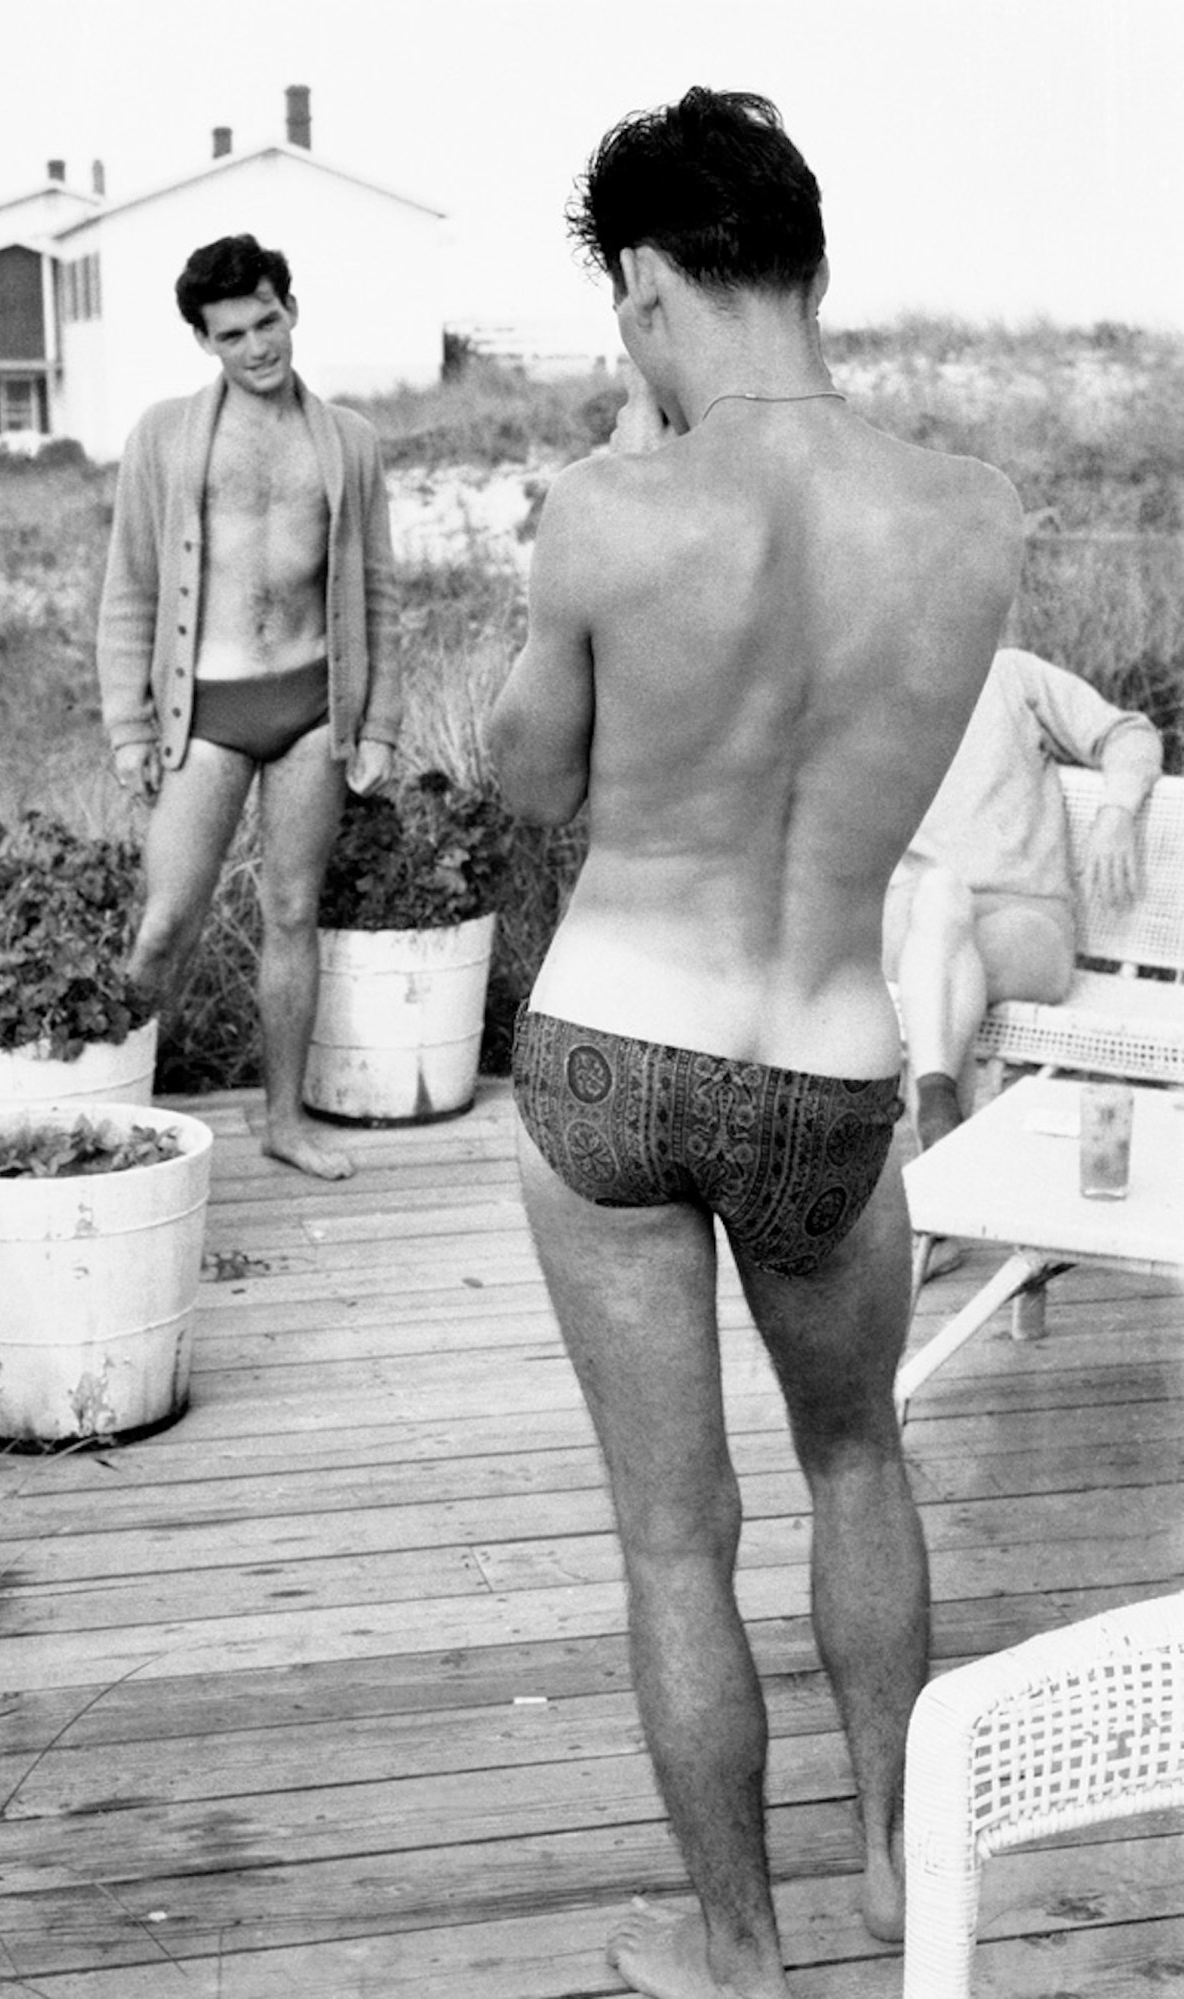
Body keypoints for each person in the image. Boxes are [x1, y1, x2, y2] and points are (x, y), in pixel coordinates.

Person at [486, 89, 1023, 1999]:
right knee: (855, 1454)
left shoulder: (605, 507)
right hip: (821, 1065)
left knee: (668, 1539)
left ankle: (734, 1949)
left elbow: (527, 781)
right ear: (803, 259)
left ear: (643, 285)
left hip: (612, 1052)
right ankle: (895, 1874)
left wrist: (630, 462)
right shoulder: (966, 515)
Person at [96, 233, 401, 1179]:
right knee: (164, 923)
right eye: (231, 334)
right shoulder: (164, 437)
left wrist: (379, 722)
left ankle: (283, 1121)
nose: (257, 347)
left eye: (267, 321)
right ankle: (108, 1121)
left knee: (292, 909)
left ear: (292, 312)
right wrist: (128, 725)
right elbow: (130, 587)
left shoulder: (348, 441)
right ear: (203, 341)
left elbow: (379, 591)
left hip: (313, 704)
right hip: (206, 710)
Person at [883, 646, 1163, 1154]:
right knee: (942, 897)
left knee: (944, 967)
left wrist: (1118, 810)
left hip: (1024, 922)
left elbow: (1128, 733)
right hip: (920, 915)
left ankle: (932, 1109)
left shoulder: (1012, 675)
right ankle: (944, 1131)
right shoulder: (872, 688)